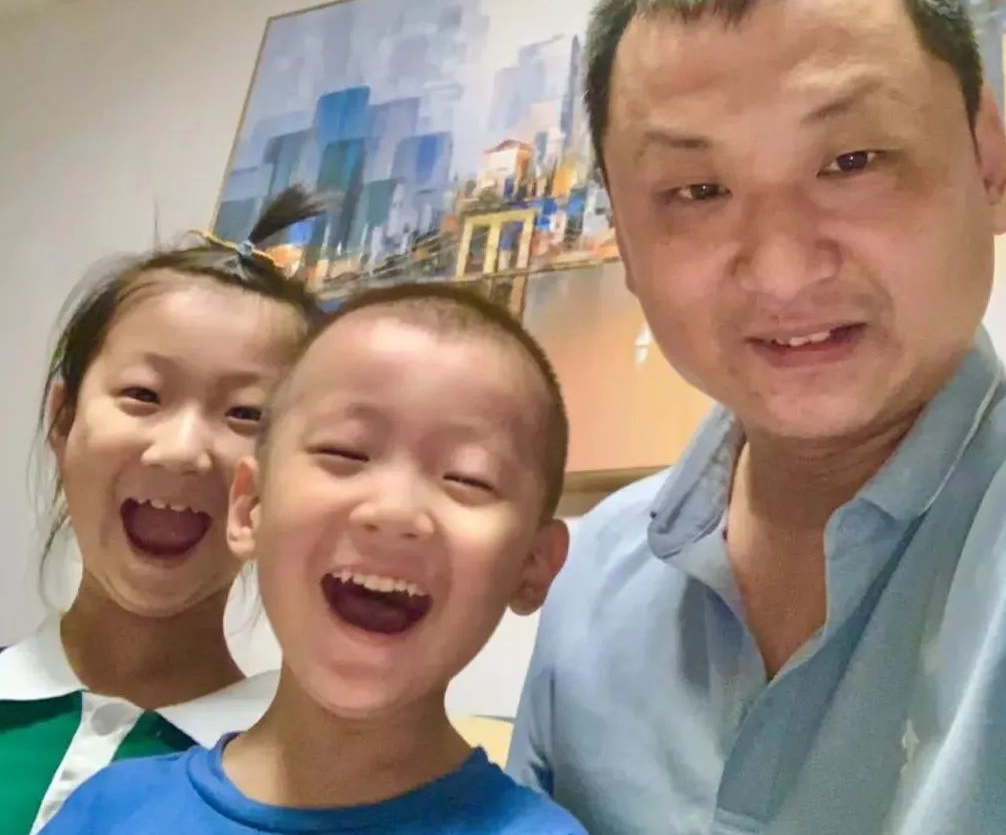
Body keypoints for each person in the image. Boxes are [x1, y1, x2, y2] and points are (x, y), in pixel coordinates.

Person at [508, 0, 1006, 833]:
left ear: (988, 165)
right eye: (696, 191)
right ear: (624, 242)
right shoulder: (591, 577)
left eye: (851, 161)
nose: (780, 267)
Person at [43, 283, 587, 834]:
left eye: (468, 478)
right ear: (250, 507)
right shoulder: (107, 809)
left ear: (533, 565)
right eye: (344, 451)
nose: (394, 511)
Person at [0, 187, 327, 835]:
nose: (181, 451)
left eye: (247, 414)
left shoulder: (303, 789)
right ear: (62, 419)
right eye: (144, 394)